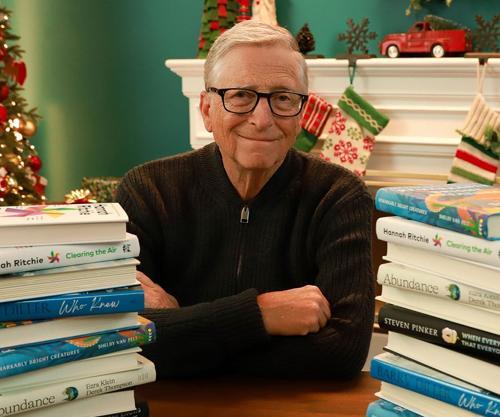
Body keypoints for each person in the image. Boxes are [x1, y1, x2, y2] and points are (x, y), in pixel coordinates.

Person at [116, 19, 374, 379]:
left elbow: (343, 352)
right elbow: (123, 339)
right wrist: (261, 314)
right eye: (240, 95)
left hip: (290, 405)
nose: (262, 119)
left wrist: (181, 328)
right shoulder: (148, 190)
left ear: (301, 114)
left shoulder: (339, 196)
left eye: (283, 98)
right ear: (207, 110)